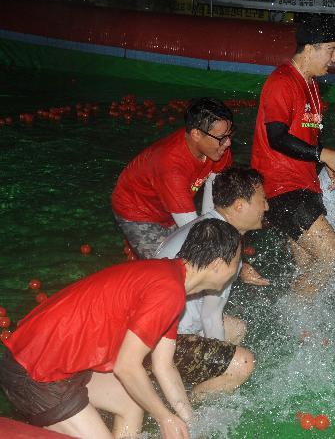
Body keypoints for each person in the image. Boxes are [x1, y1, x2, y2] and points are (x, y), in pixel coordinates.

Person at [0, 219, 243, 439]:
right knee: (138, 397)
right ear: (217, 265)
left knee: (131, 404)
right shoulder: (167, 291)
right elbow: (126, 367)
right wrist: (164, 417)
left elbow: (164, 366)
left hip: (58, 362)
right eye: (236, 261)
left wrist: (192, 423)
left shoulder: (169, 277)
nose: (238, 268)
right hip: (34, 370)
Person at [251, 15, 335, 298]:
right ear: (309, 49)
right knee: (332, 257)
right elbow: (276, 136)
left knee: (309, 265)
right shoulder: (282, 81)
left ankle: (301, 329)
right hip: (282, 188)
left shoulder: (312, 85)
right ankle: (290, 313)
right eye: (330, 50)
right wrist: (323, 154)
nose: (334, 58)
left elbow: (308, 134)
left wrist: (324, 161)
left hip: (304, 184)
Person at [154, 167, 270, 401]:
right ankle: (196, 405)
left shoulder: (209, 225)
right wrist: (224, 362)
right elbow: (210, 316)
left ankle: (179, 386)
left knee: (236, 329)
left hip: (159, 329)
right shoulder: (223, 248)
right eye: (263, 200)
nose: (266, 207)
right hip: (160, 340)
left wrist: (240, 270)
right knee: (242, 363)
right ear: (239, 206)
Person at [112, 97, 234, 258]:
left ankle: (137, 247)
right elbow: (196, 233)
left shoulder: (218, 150)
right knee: (170, 264)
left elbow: (210, 210)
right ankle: (135, 241)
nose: (228, 143)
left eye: (229, 134)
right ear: (196, 134)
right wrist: (231, 258)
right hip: (137, 210)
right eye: (222, 138)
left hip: (170, 204)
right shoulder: (171, 167)